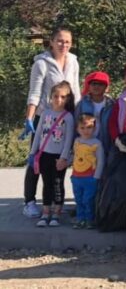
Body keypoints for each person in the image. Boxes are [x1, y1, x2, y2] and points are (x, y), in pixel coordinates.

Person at [20, 26, 81, 219]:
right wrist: (30, 118)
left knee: (60, 159)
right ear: (52, 42)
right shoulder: (41, 63)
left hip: (65, 118)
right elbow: (34, 93)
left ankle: (55, 203)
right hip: (45, 118)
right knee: (37, 159)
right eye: (60, 41)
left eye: (67, 41)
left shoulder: (73, 61)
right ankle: (29, 202)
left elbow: (76, 90)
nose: (64, 45)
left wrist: (78, 116)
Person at [28, 81, 75, 227]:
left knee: (57, 184)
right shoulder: (45, 113)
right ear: (51, 97)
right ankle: (46, 212)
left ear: (67, 99)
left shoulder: (68, 117)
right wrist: (32, 153)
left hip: (58, 157)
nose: (58, 99)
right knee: (46, 184)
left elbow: (68, 139)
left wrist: (64, 157)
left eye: (63, 97)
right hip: (44, 155)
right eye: (55, 96)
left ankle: (56, 213)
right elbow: (38, 135)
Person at [71, 114, 105, 229]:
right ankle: (80, 219)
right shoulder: (77, 141)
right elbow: (75, 156)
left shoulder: (97, 143)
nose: (86, 131)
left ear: (94, 128)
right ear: (77, 129)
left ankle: (90, 219)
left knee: (88, 200)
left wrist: (96, 177)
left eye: (89, 127)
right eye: (82, 128)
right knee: (78, 199)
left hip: (90, 177)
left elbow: (100, 161)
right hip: (76, 177)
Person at [74, 71, 114, 155]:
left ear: (106, 87)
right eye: (94, 84)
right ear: (89, 86)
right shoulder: (82, 104)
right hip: (84, 145)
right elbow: (75, 124)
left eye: (100, 84)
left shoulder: (111, 105)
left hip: (105, 145)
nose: (96, 86)